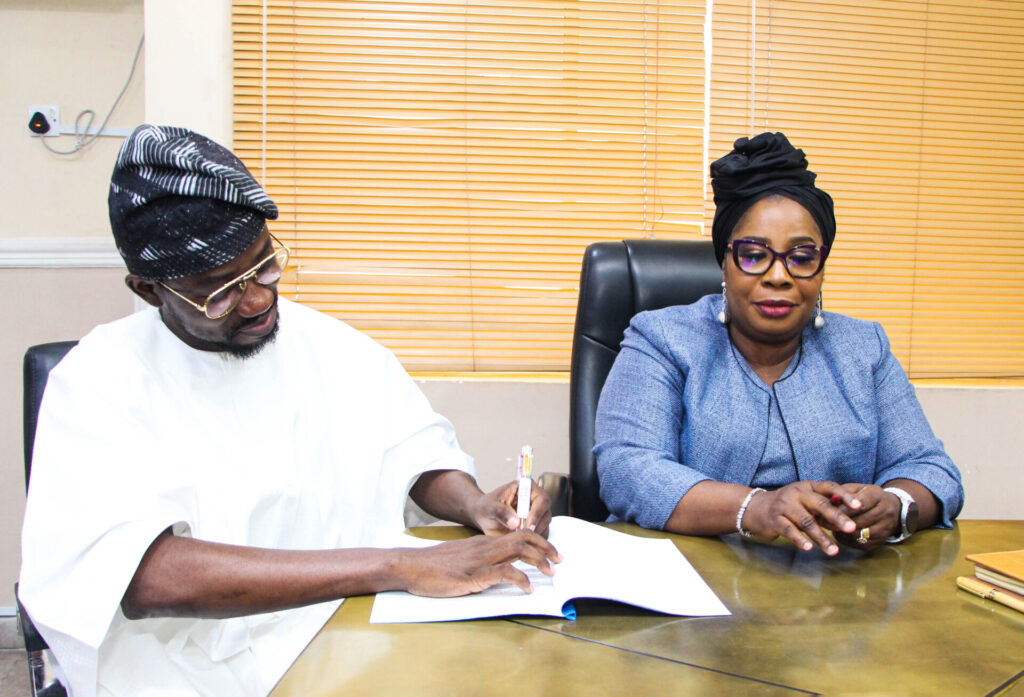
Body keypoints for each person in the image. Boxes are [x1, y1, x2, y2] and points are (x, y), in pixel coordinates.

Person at [18, 125, 559, 697]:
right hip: (181, 671)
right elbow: (147, 577)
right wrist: (396, 566)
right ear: (150, 290)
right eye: (218, 291)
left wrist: (475, 504)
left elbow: (413, 454)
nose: (256, 301)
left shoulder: (329, 345)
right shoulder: (96, 382)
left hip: (349, 636)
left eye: (264, 266)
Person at [594, 132, 963, 557]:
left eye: (802, 257)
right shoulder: (663, 339)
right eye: (754, 255)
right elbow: (628, 471)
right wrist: (756, 508)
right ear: (725, 264)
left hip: (838, 592)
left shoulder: (864, 348)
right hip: (688, 587)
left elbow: (932, 470)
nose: (778, 276)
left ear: (820, 271)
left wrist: (898, 506)